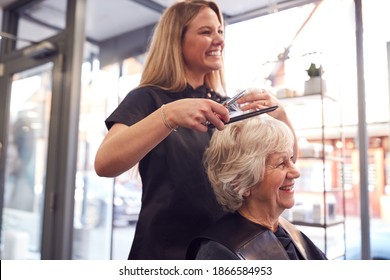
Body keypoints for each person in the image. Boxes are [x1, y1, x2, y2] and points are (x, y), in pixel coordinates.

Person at [94, 0, 297, 260]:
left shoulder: (224, 105)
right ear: (176, 40)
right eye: (206, 32)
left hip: (224, 249)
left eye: (220, 31)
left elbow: (286, 164)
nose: (218, 40)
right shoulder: (149, 99)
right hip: (166, 254)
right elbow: (104, 163)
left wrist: (280, 114)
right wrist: (169, 116)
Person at [186, 116, 327, 260]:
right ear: (241, 181)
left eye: (291, 159)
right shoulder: (219, 253)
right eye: (281, 164)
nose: (296, 173)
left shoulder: (288, 232)